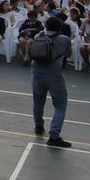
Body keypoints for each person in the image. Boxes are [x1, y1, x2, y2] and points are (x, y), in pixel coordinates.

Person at [32, 16, 73, 148]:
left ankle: (39, 125)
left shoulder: (39, 36)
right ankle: (54, 135)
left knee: (38, 101)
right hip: (54, 75)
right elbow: (68, 54)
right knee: (60, 105)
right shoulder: (64, 39)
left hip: (36, 74)